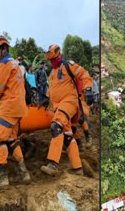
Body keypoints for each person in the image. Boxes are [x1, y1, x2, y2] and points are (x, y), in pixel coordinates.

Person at [0, 35, 31, 190]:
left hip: (8, 106)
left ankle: (2, 178)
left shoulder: (4, 65)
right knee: (11, 139)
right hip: (18, 107)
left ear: (4, 49)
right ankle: (24, 173)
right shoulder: (15, 64)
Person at [39, 44, 93, 176]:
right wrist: (46, 98)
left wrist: (89, 89)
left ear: (58, 55)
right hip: (59, 106)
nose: (51, 62)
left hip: (69, 102)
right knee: (68, 135)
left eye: (52, 59)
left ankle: (52, 164)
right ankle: (77, 168)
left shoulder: (68, 66)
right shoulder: (52, 73)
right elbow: (52, 88)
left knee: (55, 126)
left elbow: (84, 74)